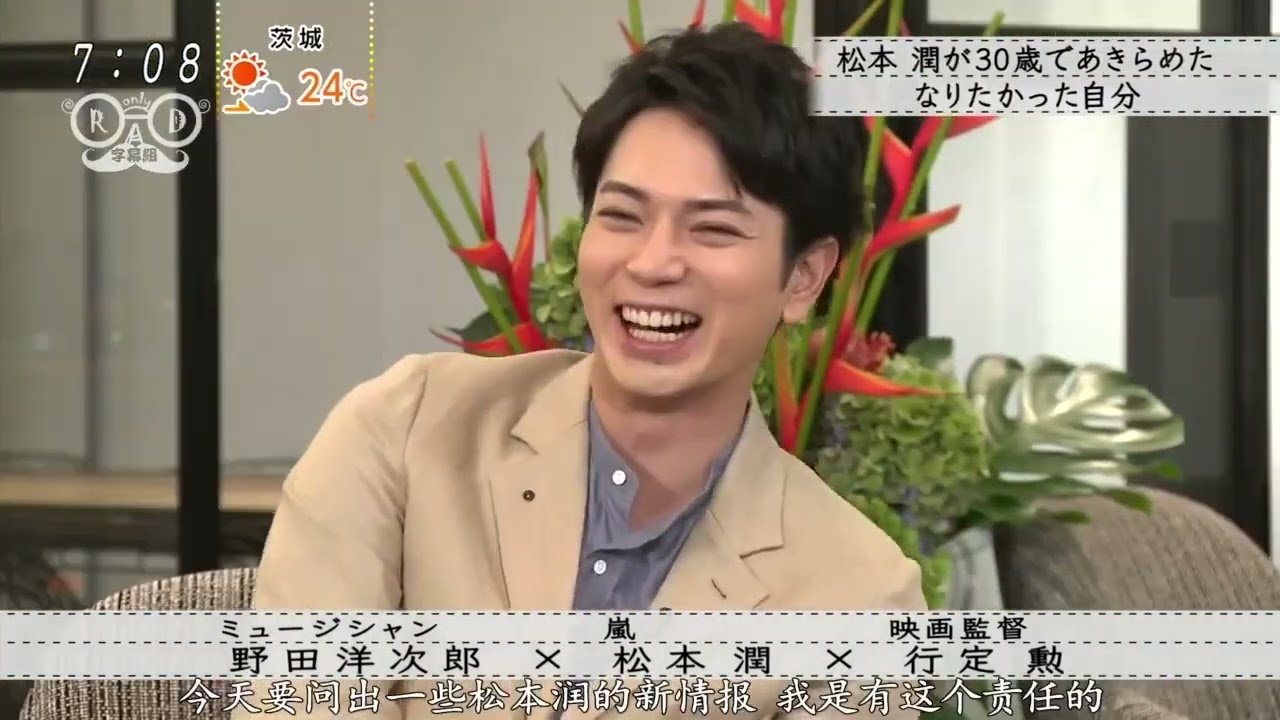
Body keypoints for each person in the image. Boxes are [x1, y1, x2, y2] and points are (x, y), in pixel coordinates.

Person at [235, 21, 924, 720]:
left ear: (805, 277)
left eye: (713, 228)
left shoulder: (860, 598)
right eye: (622, 216)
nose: (653, 263)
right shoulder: (404, 432)